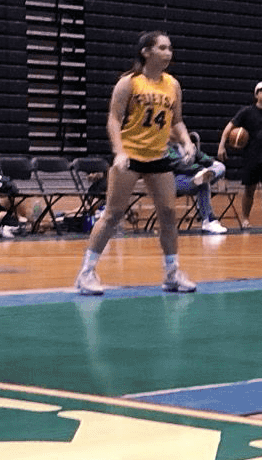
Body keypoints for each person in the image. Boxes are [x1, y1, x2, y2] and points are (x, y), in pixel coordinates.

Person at [75, 31, 197, 297]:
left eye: (170, 48)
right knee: (112, 215)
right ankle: (86, 272)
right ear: (146, 52)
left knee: (167, 213)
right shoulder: (129, 83)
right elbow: (114, 120)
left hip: (159, 156)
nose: (168, 53)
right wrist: (118, 152)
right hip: (130, 155)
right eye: (163, 48)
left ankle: (172, 272)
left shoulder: (172, 85)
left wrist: (186, 142)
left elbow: (176, 121)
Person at [222, 81, 262, 230]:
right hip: (251, 157)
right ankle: (245, 220)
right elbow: (230, 127)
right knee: (249, 190)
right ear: (256, 94)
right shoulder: (246, 112)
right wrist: (221, 145)